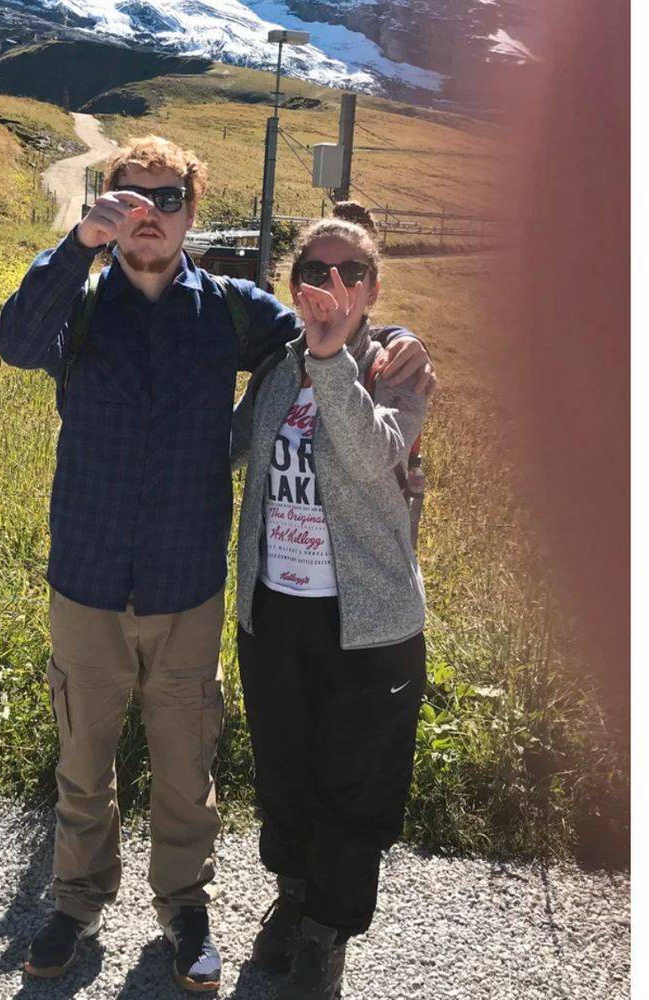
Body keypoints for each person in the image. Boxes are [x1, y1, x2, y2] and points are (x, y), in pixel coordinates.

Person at [0, 135, 435, 990]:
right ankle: (76, 902)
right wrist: (75, 245)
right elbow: (14, 341)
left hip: (187, 584)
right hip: (84, 576)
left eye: (165, 198)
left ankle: (183, 905)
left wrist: (398, 338)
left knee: (187, 766)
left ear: (192, 214)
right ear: (106, 207)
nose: (146, 213)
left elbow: (331, 328)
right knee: (83, 761)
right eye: (128, 197)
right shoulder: (78, 305)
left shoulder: (234, 313)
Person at [231, 212, 428, 1000]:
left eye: (351, 273)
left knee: (354, 785)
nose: (333, 286)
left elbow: (374, 453)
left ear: (373, 289)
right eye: (317, 271)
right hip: (277, 610)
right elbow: (230, 445)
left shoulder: (399, 367)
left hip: (371, 623)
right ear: (296, 284)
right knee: (285, 771)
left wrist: (333, 360)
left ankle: (325, 934)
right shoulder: (278, 369)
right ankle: (291, 896)